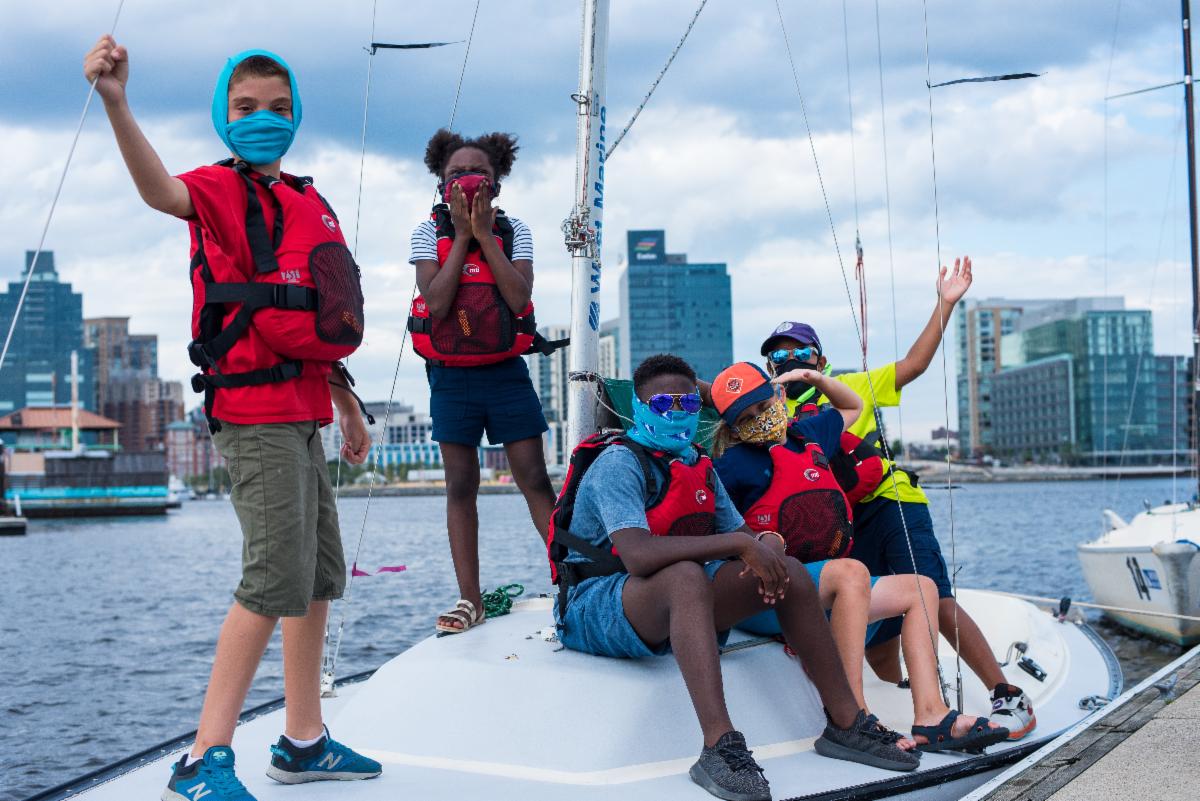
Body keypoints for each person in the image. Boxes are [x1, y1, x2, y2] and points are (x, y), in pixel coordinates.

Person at [85, 38, 382, 800]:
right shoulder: (219, 190)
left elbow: (320, 312)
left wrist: (345, 401)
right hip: (251, 413)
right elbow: (159, 191)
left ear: (298, 117)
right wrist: (118, 101)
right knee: (272, 575)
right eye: (246, 108)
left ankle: (303, 739)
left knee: (318, 576)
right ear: (223, 116)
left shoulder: (309, 199)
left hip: (305, 410)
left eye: (278, 109)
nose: (263, 120)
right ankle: (200, 758)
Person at [547, 354, 919, 801]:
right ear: (641, 409)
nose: (678, 412)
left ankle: (845, 722)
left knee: (792, 572)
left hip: (665, 600)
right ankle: (718, 745)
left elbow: (744, 536)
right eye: (664, 403)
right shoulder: (620, 463)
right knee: (685, 576)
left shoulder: (696, 462)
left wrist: (768, 548)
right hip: (595, 604)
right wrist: (743, 546)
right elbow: (639, 555)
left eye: (688, 403)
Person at [760, 256, 1037, 740]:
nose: (790, 364)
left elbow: (914, 364)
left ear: (820, 361)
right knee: (870, 617)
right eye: (779, 358)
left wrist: (944, 304)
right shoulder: (767, 413)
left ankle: (1005, 692)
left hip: (890, 502)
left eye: (799, 354)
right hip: (836, 524)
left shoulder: (850, 388)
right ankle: (897, 696)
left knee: (936, 599)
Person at [709, 362, 1009, 753]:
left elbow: (852, 405)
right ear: (731, 429)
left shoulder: (808, 434)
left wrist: (816, 380)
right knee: (851, 572)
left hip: (819, 587)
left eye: (762, 408)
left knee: (920, 588)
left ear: (778, 397)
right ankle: (852, 716)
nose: (759, 422)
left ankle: (932, 715)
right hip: (775, 594)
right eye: (745, 419)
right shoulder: (729, 466)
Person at [408, 129, 560, 634]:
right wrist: (461, 236)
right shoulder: (426, 233)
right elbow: (436, 302)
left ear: (496, 185)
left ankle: (572, 581)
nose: (467, 183)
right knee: (460, 485)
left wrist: (486, 237)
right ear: (440, 182)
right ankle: (469, 599)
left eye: (479, 176)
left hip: (505, 372)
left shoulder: (517, 232)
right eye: (456, 175)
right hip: (451, 378)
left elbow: (519, 299)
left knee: (534, 478)